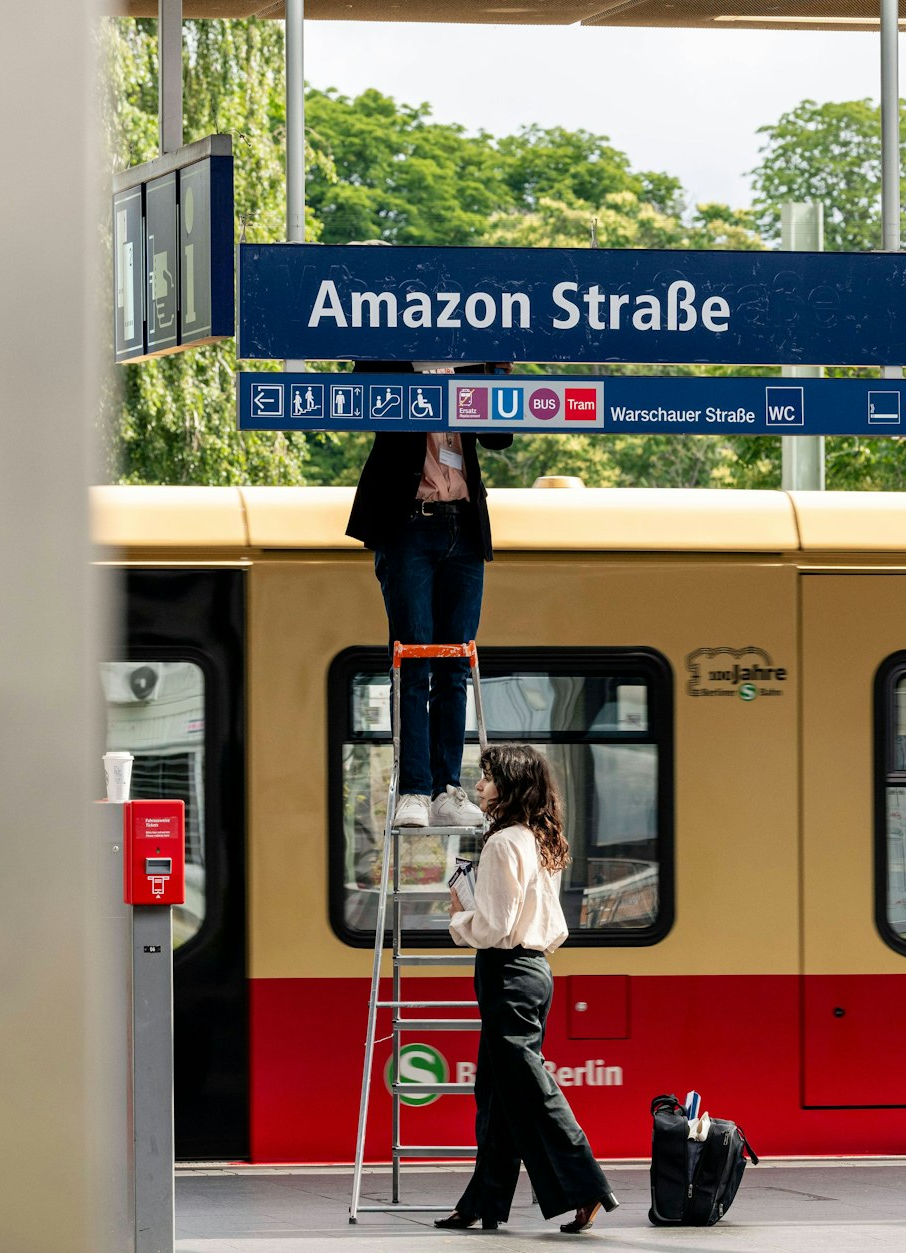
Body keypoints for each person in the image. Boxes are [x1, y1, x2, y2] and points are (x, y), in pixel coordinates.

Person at [438, 744, 617, 1235]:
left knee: (530, 1091)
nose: (478, 787)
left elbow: (495, 926)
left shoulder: (501, 844)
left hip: (505, 972)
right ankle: (482, 1202)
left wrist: (458, 914)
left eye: (487, 778)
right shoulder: (539, 838)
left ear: (510, 785)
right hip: (533, 971)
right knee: (498, 1093)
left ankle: (588, 1187)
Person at [344, 362, 512, 830]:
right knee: (414, 658)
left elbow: (500, 437)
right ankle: (414, 789)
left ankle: (447, 789)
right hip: (409, 524)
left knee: (456, 663)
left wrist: (496, 376)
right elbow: (359, 402)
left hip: (462, 523)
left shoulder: (475, 361)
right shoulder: (389, 357)